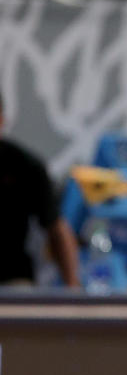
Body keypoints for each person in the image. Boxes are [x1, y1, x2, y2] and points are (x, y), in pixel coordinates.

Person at [0, 91, 79, 288]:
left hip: (11, 279)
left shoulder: (25, 166)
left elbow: (56, 228)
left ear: (2, 120)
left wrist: (73, 287)